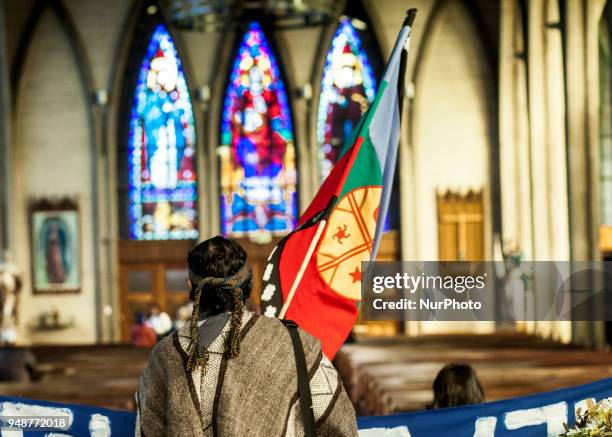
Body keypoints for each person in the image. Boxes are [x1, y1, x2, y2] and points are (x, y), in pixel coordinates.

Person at [135, 236, 357, 436]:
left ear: (190, 287)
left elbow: (147, 429)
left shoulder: (164, 355)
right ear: (249, 283)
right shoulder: (294, 342)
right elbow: (340, 424)